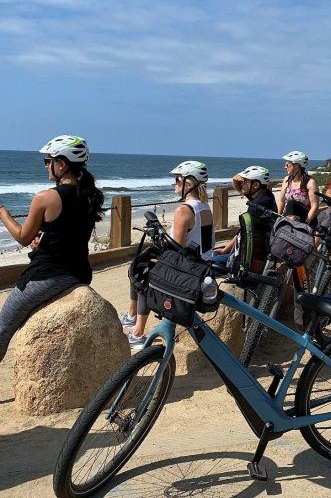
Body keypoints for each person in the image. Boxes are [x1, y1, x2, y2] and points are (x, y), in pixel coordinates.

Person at [0, 135, 104, 362]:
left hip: (48, 275)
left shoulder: (45, 197)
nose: (46, 165)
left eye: (48, 161)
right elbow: (69, 233)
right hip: (79, 271)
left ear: (62, 164)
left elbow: (22, 238)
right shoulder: (91, 195)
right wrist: (43, 242)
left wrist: (3, 214)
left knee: (3, 326)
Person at [122, 160, 214, 349]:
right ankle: (132, 316)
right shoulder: (205, 208)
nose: (174, 184)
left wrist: (158, 258)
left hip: (187, 270)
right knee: (146, 261)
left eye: (177, 180)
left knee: (143, 270)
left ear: (189, 184)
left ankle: (137, 332)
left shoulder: (184, 211)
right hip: (201, 266)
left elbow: (175, 253)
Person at [212, 165, 276, 267]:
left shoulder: (258, 206)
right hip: (257, 249)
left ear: (255, 185)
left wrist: (224, 250)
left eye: (245, 181)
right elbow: (243, 191)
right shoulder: (265, 195)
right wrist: (235, 181)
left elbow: (242, 232)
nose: (242, 184)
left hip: (248, 256)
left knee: (210, 261)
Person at [277, 151, 319, 225]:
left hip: (305, 219)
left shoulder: (310, 182)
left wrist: (306, 223)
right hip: (288, 218)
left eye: (287, 164)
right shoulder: (286, 180)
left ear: (296, 165)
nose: (285, 167)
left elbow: (315, 206)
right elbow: (281, 201)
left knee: (292, 203)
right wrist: (277, 217)